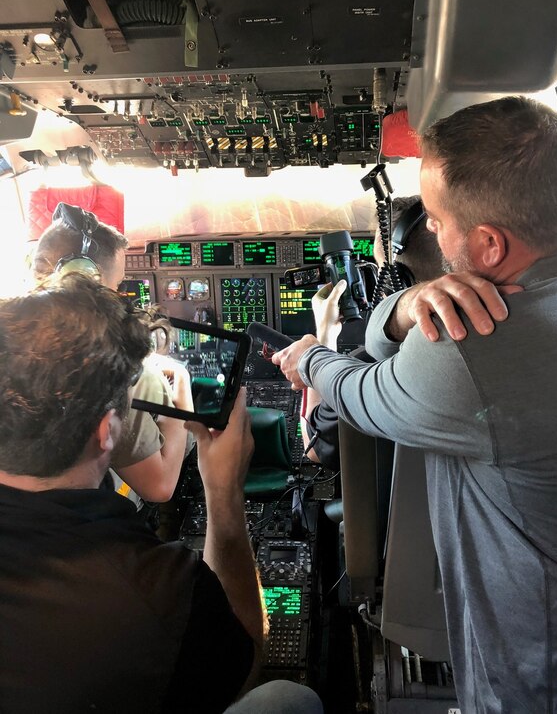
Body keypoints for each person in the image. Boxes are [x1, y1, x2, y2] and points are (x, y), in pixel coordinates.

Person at [272, 96, 557, 711]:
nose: (428, 229)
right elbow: (387, 338)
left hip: (543, 676)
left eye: (435, 217)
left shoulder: (475, 350)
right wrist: (410, 302)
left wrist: (308, 359)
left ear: (488, 245)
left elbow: (355, 394)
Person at [0, 273, 323, 714]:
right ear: (106, 431)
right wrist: (223, 493)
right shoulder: (157, 590)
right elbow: (241, 662)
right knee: (289, 698)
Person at [32, 205, 192, 503]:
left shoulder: (14, 337)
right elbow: (160, 488)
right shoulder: (117, 372)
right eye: (115, 284)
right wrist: (182, 387)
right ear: (84, 277)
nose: (118, 295)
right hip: (84, 513)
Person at [302, 195, 443, 469]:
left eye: (381, 272)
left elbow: (314, 447)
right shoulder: (494, 340)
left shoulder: (365, 371)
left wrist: (323, 340)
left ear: (395, 279)